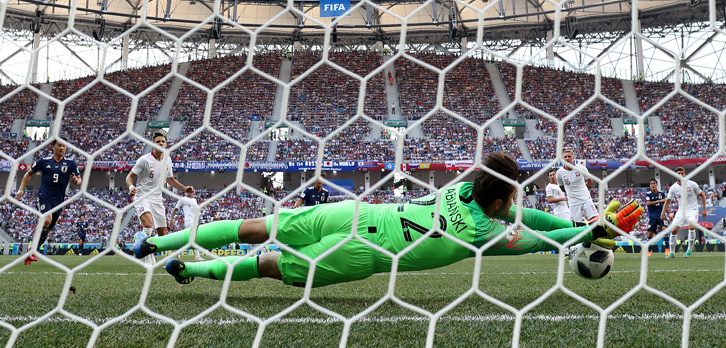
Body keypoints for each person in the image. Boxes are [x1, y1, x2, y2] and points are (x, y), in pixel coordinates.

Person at [130, 152, 643, 287]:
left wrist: (590, 228)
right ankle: (194, 273)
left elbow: (533, 219)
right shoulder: (484, 233)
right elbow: (538, 237)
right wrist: (594, 231)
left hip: (354, 213)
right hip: (362, 254)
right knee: (267, 263)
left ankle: (160, 243)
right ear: (504, 201)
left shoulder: (462, 188)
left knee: (256, 227)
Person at [126, 131, 193, 266]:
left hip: (157, 199)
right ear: (153, 144)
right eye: (158, 142)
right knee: (149, 225)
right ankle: (147, 256)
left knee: (163, 234)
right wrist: (131, 187)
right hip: (142, 196)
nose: (161, 143)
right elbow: (129, 177)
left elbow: (170, 179)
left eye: (163, 141)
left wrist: (184, 189)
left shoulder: (167, 160)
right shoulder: (144, 160)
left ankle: (167, 259)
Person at [15, 138, 82, 265]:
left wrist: (76, 181)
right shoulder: (43, 161)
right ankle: (33, 250)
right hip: (44, 197)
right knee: (47, 220)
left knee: (48, 231)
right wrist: (21, 189)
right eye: (59, 145)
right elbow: (28, 174)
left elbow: (79, 180)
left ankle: (32, 249)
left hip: (59, 201)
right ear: (53, 147)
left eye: (64, 146)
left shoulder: (70, 163)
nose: (62, 148)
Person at [661, 167, 707, 258]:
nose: (681, 175)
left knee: (691, 226)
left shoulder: (692, 184)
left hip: (693, 209)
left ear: (685, 174)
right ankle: (672, 253)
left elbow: (702, 195)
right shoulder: (673, 188)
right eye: (679, 173)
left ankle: (689, 250)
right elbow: (668, 201)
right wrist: (663, 213)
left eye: (682, 173)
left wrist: (704, 209)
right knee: (673, 231)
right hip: (681, 211)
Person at [555, 149, 598, 223]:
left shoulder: (581, 168)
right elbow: (561, 186)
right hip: (573, 202)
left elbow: (590, 181)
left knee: (594, 219)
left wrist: (583, 188)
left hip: (585, 198)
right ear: (562, 159)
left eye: (569, 156)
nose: (567, 158)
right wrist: (570, 191)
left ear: (573, 158)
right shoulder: (559, 173)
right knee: (576, 223)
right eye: (565, 157)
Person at [171, 188, 204, 261]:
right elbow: (175, 209)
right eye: (190, 191)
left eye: (192, 191)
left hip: (195, 221)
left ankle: (176, 250)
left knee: (189, 239)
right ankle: (197, 256)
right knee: (194, 238)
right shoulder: (183, 199)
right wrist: (171, 219)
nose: (192, 193)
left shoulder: (194, 200)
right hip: (188, 221)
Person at [644, 179, 667, 256]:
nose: (653, 185)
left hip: (661, 215)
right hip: (652, 217)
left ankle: (667, 249)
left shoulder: (662, 194)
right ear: (650, 186)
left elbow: (665, 205)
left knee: (665, 230)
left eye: (654, 183)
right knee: (650, 233)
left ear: (657, 185)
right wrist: (659, 201)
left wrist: (668, 213)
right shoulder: (648, 194)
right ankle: (649, 251)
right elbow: (648, 203)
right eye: (651, 184)